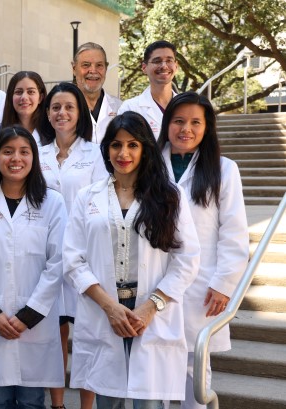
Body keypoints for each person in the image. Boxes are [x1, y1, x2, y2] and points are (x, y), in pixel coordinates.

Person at [62, 111, 200, 408]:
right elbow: (73, 259)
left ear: (145, 149)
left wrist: (150, 308)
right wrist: (110, 308)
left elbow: (186, 260)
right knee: (108, 400)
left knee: (147, 404)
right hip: (104, 312)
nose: (123, 153)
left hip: (150, 314)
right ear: (106, 150)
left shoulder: (169, 196)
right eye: (116, 145)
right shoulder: (88, 197)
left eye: (132, 145)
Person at [0, 125, 67, 409]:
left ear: (34, 157)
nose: (15, 158)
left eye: (23, 151)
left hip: (35, 323)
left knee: (31, 401)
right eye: (7, 152)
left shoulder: (52, 203)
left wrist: (30, 315)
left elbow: (58, 262)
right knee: (0, 400)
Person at [157, 92, 248, 409]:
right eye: (179, 121)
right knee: (152, 367)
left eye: (196, 122)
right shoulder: (148, 165)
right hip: (155, 282)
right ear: (167, 124)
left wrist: (224, 284)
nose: (186, 129)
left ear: (207, 127)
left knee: (195, 370)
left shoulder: (224, 170)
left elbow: (234, 233)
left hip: (201, 287)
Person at [38, 82, 107, 409]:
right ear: (47, 113)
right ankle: (57, 403)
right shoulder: (38, 153)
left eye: (69, 107)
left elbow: (100, 203)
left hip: (85, 254)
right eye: (55, 107)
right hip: (46, 255)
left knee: (86, 334)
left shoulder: (95, 154)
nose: (61, 113)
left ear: (81, 113)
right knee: (54, 333)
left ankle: (86, 404)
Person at [118, 41, 178, 138]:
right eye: (157, 61)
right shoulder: (130, 108)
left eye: (169, 60)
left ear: (176, 66)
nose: (164, 66)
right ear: (144, 67)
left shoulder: (186, 106)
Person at [71, 42, 122, 144]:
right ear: (74, 68)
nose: (93, 71)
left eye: (99, 65)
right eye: (86, 65)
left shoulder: (121, 108)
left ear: (106, 69)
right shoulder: (62, 110)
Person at [0, 70, 47, 141]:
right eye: (18, 92)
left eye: (31, 92)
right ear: (11, 97)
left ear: (40, 98)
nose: (24, 97)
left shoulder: (52, 133)